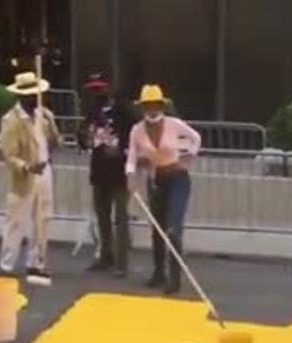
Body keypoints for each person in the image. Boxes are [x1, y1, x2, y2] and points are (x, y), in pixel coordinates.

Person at [125, 84, 202, 295]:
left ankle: (175, 278)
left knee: (173, 229)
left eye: (156, 105)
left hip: (178, 179)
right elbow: (132, 157)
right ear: (142, 108)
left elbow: (196, 138)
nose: (152, 109)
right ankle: (159, 272)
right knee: (157, 229)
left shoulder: (174, 124)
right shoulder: (137, 130)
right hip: (156, 180)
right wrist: (131, 176)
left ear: (162, 106)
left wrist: (188, 158)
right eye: (147, 105)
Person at [0, 71, 63, 286]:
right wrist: (27, 167)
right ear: (20, 97)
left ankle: (36, 261)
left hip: (45, 173)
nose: (34, 98)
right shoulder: (11, 120)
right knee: (16, 219)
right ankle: (7, 263)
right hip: (25, 176)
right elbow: (9, 155)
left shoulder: (44, 115)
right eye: (29, 95)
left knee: (43, 217)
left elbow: (55, 141)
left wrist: (54, 135)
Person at [78, 73, 137, 277]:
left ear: (109, 87)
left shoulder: (124, 109)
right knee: (102, 217)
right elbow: (83, 135)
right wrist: (84, 137)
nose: (96, 92)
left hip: (120, 172)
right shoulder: (92, 111)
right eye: (93, 89)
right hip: (99, 170)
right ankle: (106, 256)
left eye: (99, 88)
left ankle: (122, 263)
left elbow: (137, 133)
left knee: (120, 218)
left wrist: (125, 149)